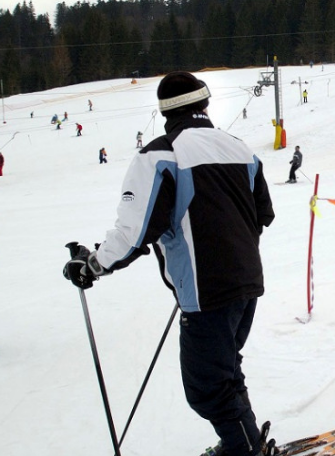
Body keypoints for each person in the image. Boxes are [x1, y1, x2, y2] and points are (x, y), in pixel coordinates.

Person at [62, 71, 275, 456]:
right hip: (247, 282)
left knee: (208, 388)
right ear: (205, 104)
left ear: (164, 110)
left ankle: (245, 451)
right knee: (224, 373)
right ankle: (241, 444)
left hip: (206, 291)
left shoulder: (162, 153)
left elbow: (135, 230)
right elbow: (263, 214)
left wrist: (92, 264)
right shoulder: (241, 148)